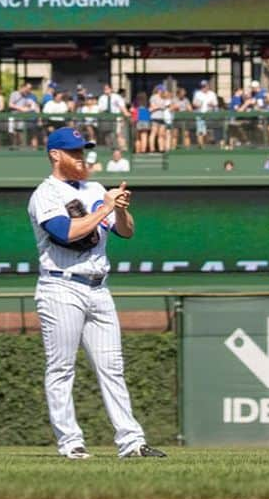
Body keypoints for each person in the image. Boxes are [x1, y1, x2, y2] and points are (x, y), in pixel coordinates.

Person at [27, 125, 166, 461]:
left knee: (112, 367)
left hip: (99, 287)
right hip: (61, 285)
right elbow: (66, 232)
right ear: (55, 155)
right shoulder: (46, 194)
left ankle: (132, 443)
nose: (81, 157)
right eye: (74, 152)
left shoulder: (94, 188)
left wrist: (118, 208)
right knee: (61, 368)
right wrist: (104, 208)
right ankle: (71, 443)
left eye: (83, 151)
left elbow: (126, 232)